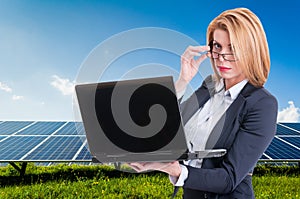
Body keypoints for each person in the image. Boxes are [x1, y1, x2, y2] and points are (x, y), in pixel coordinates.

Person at [129, 7, 278, 198]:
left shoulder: (262, 104)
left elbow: (229, 178)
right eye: (217, 46)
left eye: (233, 48)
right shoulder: (209, 85)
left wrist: (175, 171)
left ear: (252, 51)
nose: (222, 57)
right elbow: (173, 124)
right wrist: (183, 80)